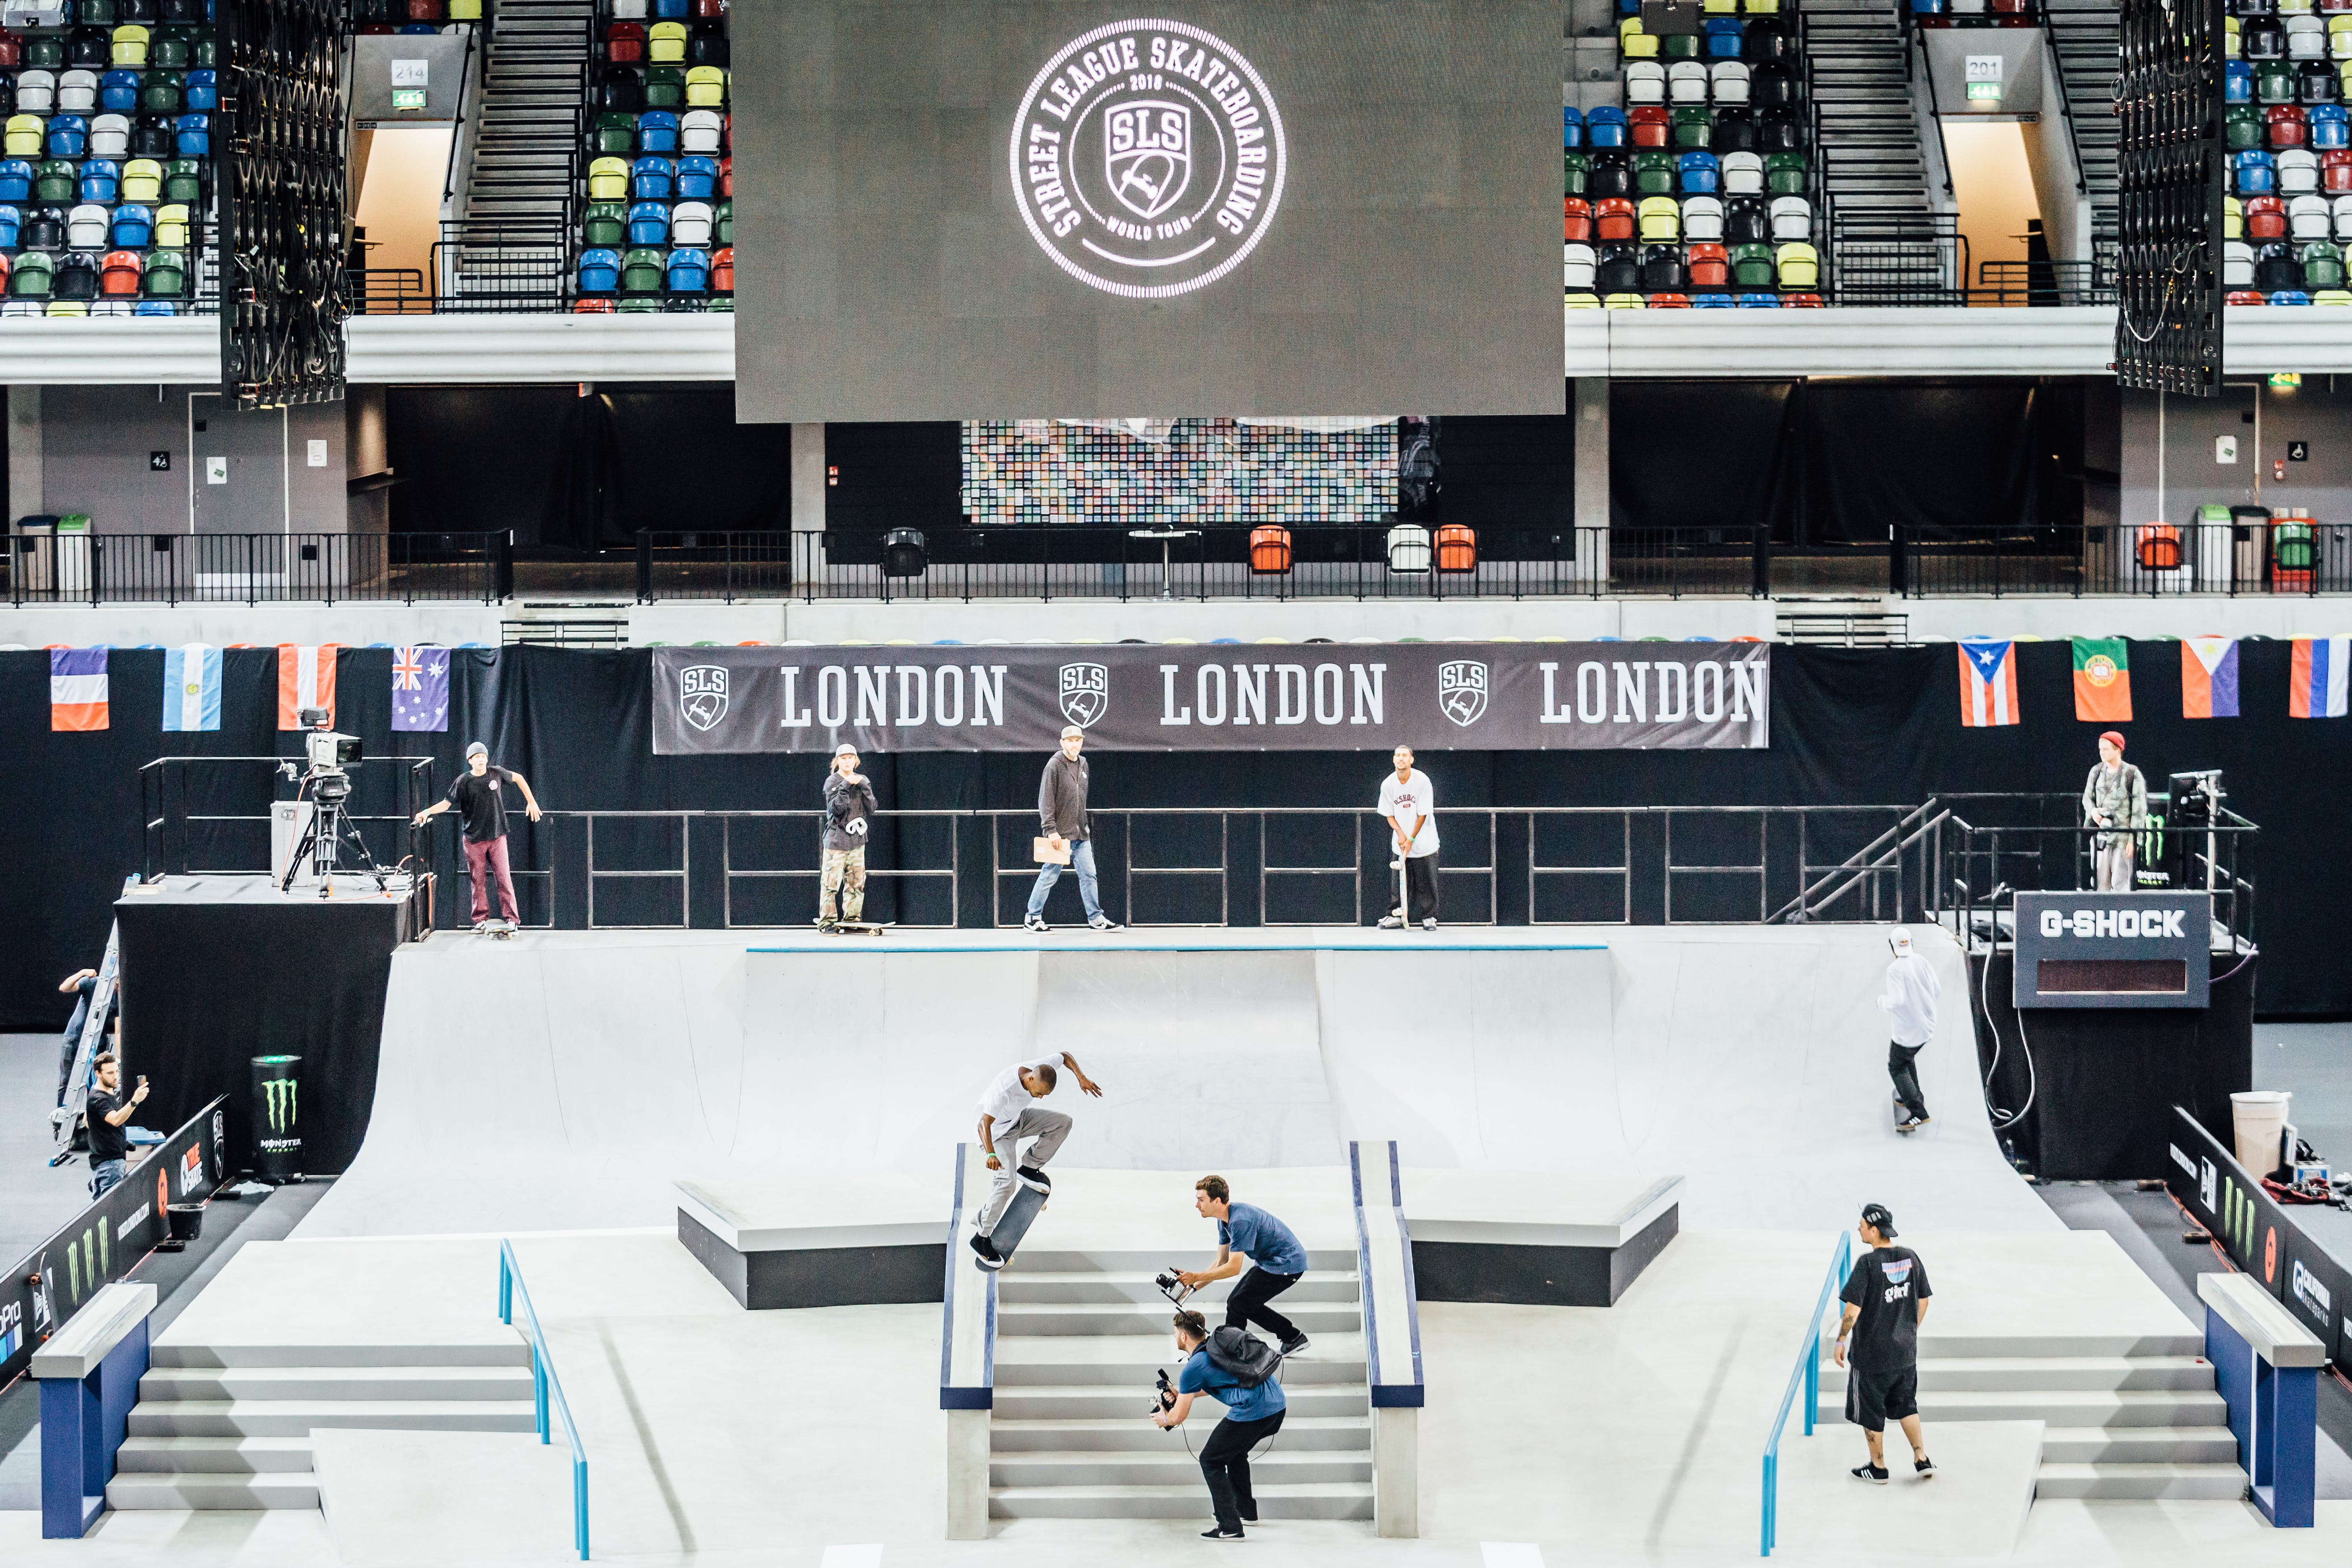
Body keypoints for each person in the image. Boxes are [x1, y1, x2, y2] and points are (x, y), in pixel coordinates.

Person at [1155, 1308, 1287, 1541]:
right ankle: (1246, 1511)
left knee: (1211, 1460)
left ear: (1184, 1336)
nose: (1175, 1337)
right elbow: (1220, 1382)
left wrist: (1164, 1419)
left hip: (1255, 1409)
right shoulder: (1218, 1349)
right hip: (1277, 1404)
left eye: (1176, 1333)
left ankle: (1229, 1525)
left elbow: (1178, 1417)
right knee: (1235, 1452)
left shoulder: (1194, 1367)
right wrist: (1184, 1393)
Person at [969, 1049, 1103, 1270]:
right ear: (1030, 1079)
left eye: (1043, 1096)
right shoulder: (1003, 1090)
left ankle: (1030, 1167)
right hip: (994, 1134)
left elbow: (1065, 1055)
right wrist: (991, 1154)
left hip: (1017, 1119)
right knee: (1006, 1183)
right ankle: (981, 1238)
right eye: (1039, 1093)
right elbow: (984, 1123)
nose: (1039, 1097)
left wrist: (1081, 1077)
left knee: (1063, 1122)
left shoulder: (1039, 1067)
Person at [1834, 1202, 1935, 1485]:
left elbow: (1853, 1309)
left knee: (1871, 1409)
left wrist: (1841, 1340)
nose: (1859, 1229)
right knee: (1906, 1404)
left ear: (1874, 1230)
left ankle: (1878, 1468)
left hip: (1872, 1357)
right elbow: (1924, 1298)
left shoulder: (1868, 1264)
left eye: (1863, 1225)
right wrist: (1909, 1330)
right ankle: (1921, 1458)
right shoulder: (1911, 1257)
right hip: (1904, 1354)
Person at [412, 741, 543, 930]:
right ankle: (480, 920)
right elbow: (447, 803)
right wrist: (427, 811)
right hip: (474, 840)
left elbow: (520, 778)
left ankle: (512, 920)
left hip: (497, 837)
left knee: (504, 878)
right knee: (478, 881)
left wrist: (532, 802)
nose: (481, 760)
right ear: (470, 761)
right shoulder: (463, 781)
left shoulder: (496, 773)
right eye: (477, 757)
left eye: (483, 756)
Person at [1178, 1175, 1313, 1357]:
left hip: (1287, 1264)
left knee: (1238, 1303)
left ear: (1217, 1201)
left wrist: (1196, 1276)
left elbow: (1233, 1268)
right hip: (1270, 1262)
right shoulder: (1223, 1220)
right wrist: (1192, 1288)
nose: (1197, 1205)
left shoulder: (1240, 1221)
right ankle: (1292, 1338)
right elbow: (1221, 1262)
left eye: (1201, 1200)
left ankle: (1231, 1353)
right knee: (1242, 1303)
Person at [1025, 724, 1121, 933]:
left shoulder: (1084, 764)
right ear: (1062, 743)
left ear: (1082, 742)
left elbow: (1080, 800)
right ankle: (1032, 917)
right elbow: (1046, 800)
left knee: (1090, 875)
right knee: (1049, 875)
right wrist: (1051, 830)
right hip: (1061, 836)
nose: (1074, 744)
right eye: (1070, 741)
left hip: (1081, 834)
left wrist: (1083, 825)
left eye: (1078, 740)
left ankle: (1096, 918)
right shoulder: (1054, 766)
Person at [1878, 929, 1941, 1133]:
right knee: (1907, 1059)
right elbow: (1937, 989)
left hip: (1907, 1031)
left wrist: (1881, 1002)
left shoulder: (1894, 970)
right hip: (1927, 1025)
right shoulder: (1921, 961)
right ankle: (1914, 1095)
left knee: (1896, 1066)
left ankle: (1918, 1112)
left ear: (1892, 947)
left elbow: (1897, 1001)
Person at [1376, 745, 1440, 931]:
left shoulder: (1422, 781)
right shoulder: (1388, 784)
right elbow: (1389, 815)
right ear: (1393, 760)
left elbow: (1423, 814)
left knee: (1427, 882)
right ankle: (1396, 914)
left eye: (1405, 756)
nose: (1401, 759)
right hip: (1401, 845)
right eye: (1398, 756)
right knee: (1399, 884)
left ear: (1411, 760)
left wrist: (1411, 838)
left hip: (1424, 843)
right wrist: (1401, 835)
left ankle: (1429, 917)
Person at [820, 743, 877, 931]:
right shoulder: (832, 782)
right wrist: (845, 785)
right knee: (831, 884)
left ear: (856, 761)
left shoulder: (862, 780)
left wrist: (863, 786)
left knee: (856, 884)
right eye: (843, 758)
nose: (847, 762)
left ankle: (852, 919)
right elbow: (837, 810)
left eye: (850, 758)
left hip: (857, 841)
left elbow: (872, 809)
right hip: (837, 841)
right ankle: (827, 922)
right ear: (837, 761)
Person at [2081, 731, 2147, 893]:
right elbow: (2087, 798)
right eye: (2100, 750)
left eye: (2106, 749)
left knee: (2121, 884)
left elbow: (2139, 809)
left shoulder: (2132, 774)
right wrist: (2093, 811)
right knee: (2100, 884)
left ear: (2118, 750)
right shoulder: (2096, 772)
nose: (2102, 753)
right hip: (2101, 837)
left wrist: (2134, 839)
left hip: (2123, 838)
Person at [84, 1052, 147, 1198]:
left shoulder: (104, 1094)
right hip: (109, 1165)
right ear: (98, 1074)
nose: (116, 1076)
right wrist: (134, 1102)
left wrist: (111, 1139)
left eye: (117, 1071)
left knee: (101, 1210)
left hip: (106, 1162)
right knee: (110, 1210)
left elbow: (87, 1120)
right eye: (110, 1073)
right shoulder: (100, 1099)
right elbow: (116, 1120)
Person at [55, 964, 106, 1108]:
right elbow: (64, 987)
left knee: (95, 1083)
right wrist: (82, 973)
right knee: (66, 1081)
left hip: (97, 1042)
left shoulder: (119, 997)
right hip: (74, 1039)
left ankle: (94, 1122)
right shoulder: (93, 983)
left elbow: (118, 1028)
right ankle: (61, 1123)